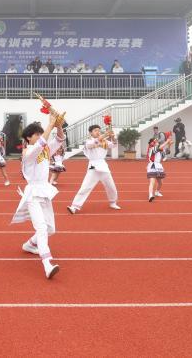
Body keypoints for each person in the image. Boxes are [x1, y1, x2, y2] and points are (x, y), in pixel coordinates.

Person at [12, 115, 66, 279]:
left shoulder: (46, 148)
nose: (40, 136)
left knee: (51, 229)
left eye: (40, 134)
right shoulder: (28, 152)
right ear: (28, 137)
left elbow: (60, 138)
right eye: (37, 134)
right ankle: (47, 264)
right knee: (42, 228)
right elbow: (42, 143)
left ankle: (29, 245)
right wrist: (51, 123)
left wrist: (58, 125)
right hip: (33, 193)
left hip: (44, 191)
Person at [67, 125, 121, 213]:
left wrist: (112, 137)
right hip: (93, 166)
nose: (98, 132)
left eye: (99, 130)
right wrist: (105, 134)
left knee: (111, 186)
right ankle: (74, 206)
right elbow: (93, 143)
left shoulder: (104, 141)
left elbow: (114, 145)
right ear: (90, 133)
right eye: (95, 130)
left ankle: (113, 202)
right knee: (85, 187)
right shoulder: (88, 141)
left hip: (103, 166)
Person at [147, 136, 172, 202]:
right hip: (152, 166)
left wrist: (169, 145)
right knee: (152, 181)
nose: (157, 142)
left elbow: (167, 152)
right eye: (156, 142)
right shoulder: (152, 148)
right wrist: (167, 141)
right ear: (152, 143)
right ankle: (150, 195)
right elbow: (160, 147)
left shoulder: (160, 150)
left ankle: (157, 192)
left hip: (158, 166)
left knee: (160, 183)